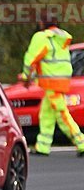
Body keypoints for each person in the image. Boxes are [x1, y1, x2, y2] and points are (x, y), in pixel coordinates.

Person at [20, 12, 84, 156]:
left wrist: (26, 77)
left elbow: (31, 59)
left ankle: (82, 142)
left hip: (51, 82)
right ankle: (43, 146)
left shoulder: (41, 37)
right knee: (46, 114)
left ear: (42, 24)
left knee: (62, 114)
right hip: (61, 81)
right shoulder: (61, 39)